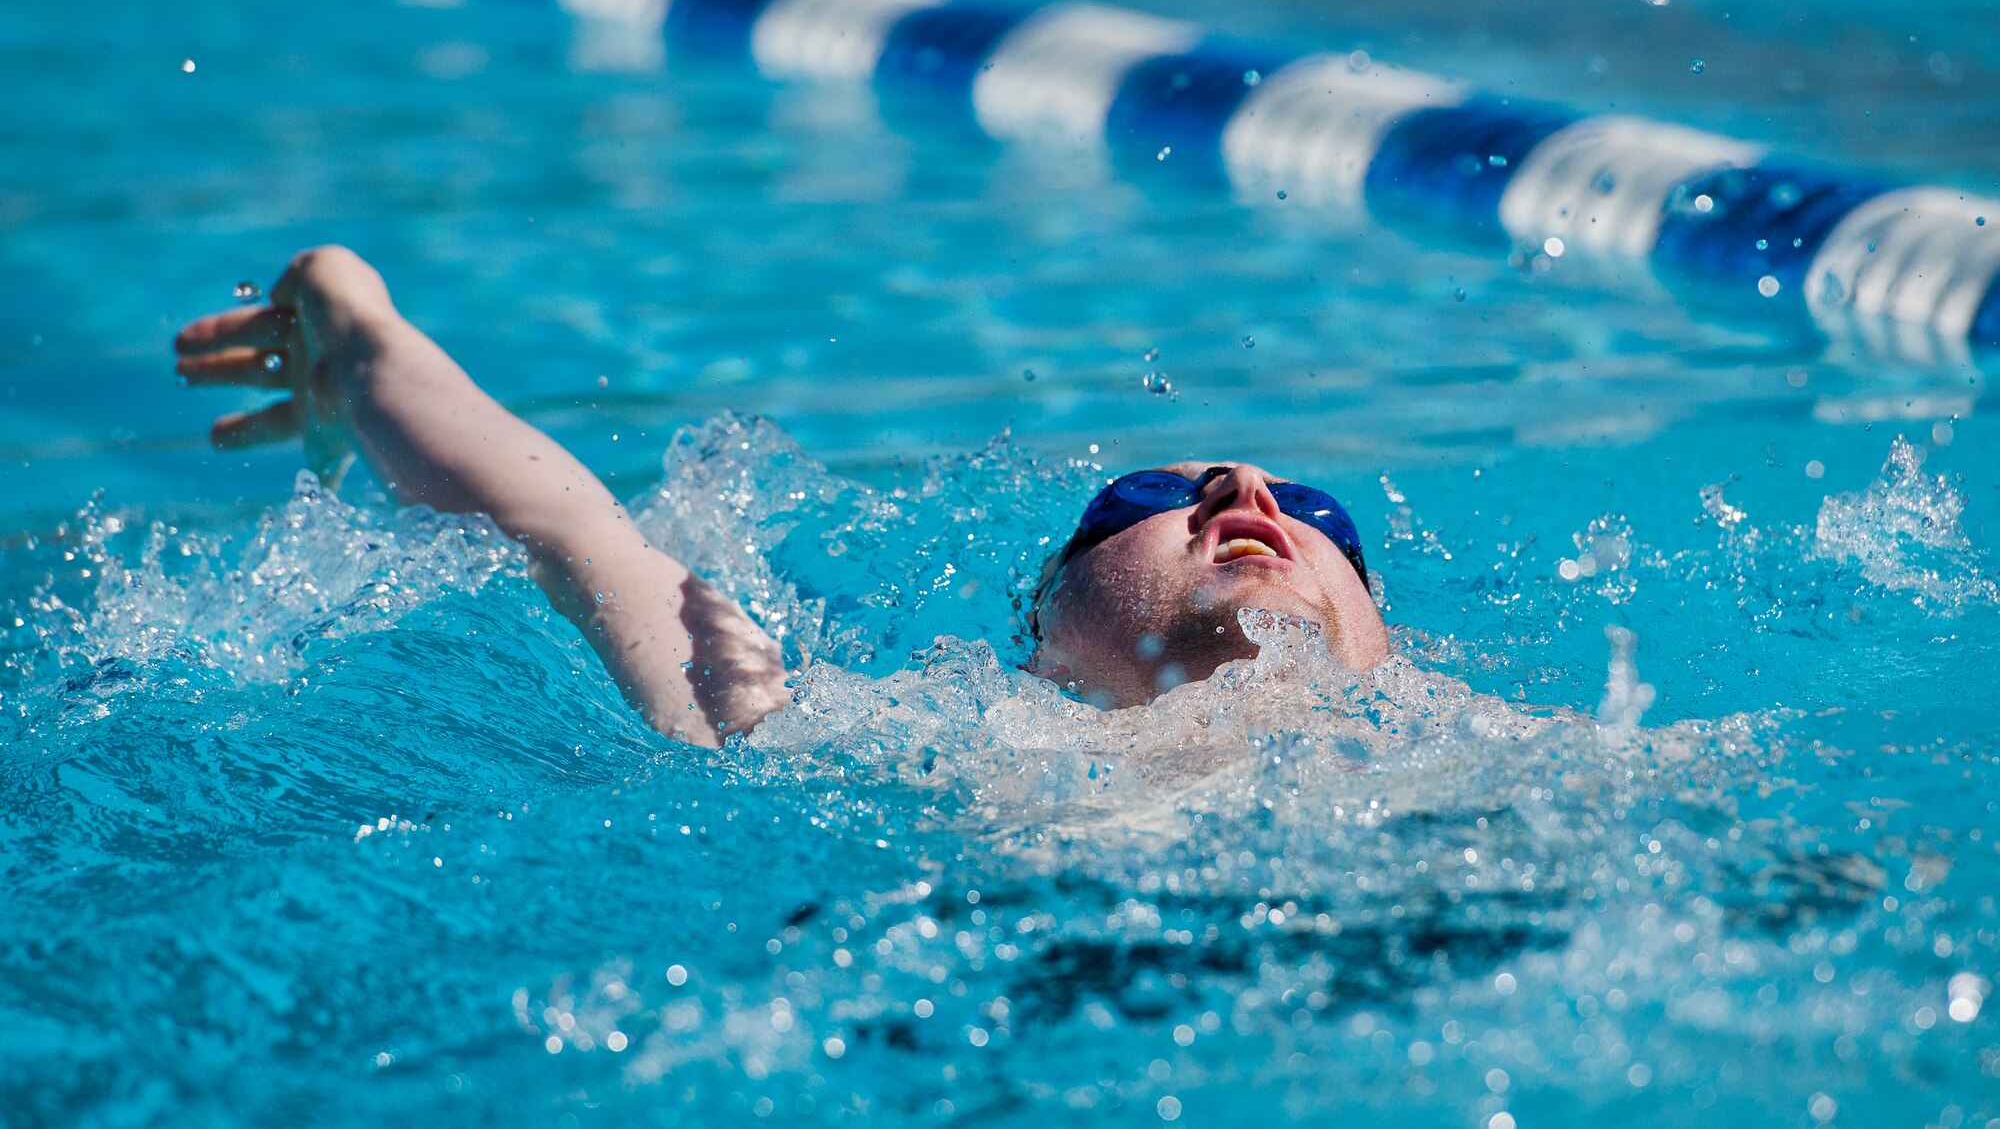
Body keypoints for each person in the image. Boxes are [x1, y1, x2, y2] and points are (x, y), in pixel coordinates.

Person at [175, 247, 1390, 746]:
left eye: (1317, 514)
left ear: (1391, 647)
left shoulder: (1558, 759)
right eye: (1144, 496)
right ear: (1042, 640)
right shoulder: (856, 743)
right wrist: (363, 345)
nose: (1244, 493)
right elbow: (565, 527)